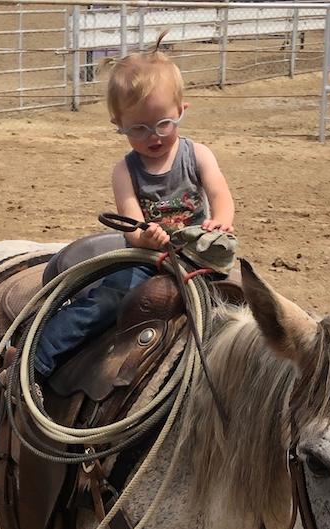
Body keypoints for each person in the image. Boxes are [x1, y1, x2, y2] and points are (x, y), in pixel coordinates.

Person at [34, 37, 235, 379]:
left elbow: (221, 194)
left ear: (181, 111)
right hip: (148, 258)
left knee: (245, 305)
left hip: (198, 253)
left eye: (163, 124)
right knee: (107, 303)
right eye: (138, 129)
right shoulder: (125, 170)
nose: (153, 137)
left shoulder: (198, 154)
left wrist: (220, 221)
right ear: (119, 125)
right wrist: (147, 236)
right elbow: (131, 224)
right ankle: (36, 357)